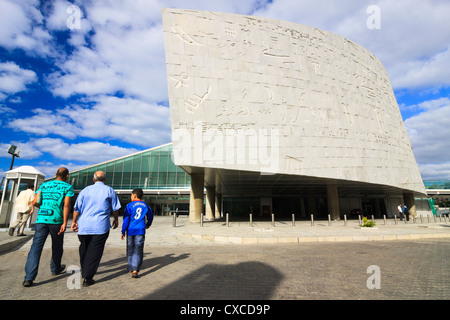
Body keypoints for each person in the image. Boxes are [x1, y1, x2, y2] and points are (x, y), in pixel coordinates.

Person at [22, 168, 74, 287]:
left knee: (35, 247)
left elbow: (35, 202)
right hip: (56, 220)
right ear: (67, 176)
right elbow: (66, 205)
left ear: (55, 174)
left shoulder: (44, 185)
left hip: (41, 220)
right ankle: (55, 268)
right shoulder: (67, 187)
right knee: (57, 246)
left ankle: (29, 278)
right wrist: (65, 222)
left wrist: (44, 209)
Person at [71, 171, 121, 287]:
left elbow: (77, 208)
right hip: (100, 226)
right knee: (95, 252)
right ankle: (88, 277)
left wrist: (74, 221)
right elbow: (115, 208)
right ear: (104, 179)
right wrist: (116, 219)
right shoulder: (109, 190)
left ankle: (85, 271)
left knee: (84, 249)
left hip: (84, 226)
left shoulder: (85, 190)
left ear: (94, 180)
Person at [121, 188, 153, 278]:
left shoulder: (129, 205)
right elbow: (150, 216)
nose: (131, 197)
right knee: (138, 249)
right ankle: (135, 270)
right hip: (140, 230)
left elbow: (126, 219)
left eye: (131, 195)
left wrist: (123, 231)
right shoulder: (145, 205)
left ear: (134, 195)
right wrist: (148, 224)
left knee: (130, 248)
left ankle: (130, 266)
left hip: (130, 230)